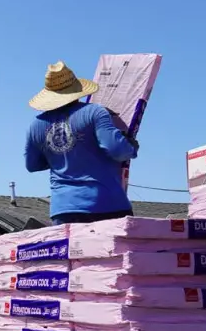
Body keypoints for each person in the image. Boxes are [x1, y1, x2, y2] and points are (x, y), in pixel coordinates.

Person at [24, 61, 139, 225]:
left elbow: (32, 165)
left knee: (73, 251)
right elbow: (117, 149)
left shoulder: (36, 125)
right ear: (76, 90)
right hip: (106, 204)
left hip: (63, 210)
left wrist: (60, 156)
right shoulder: (94, 112)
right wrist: (131, 147)